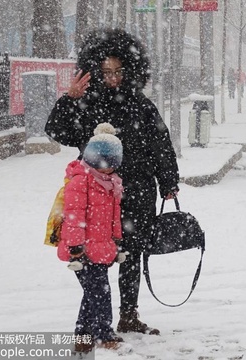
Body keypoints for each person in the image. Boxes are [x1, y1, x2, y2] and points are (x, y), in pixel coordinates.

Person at [45, 28, 180, 336]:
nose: (114, 77)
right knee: (96, 260)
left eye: (119, 71)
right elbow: (56, 131)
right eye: (106, 71)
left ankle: (129, 315)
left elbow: (160, 143)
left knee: (132, 256)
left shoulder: (141, 105)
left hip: (137, 192)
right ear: (93, 70)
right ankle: (95, 321)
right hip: (98, 198)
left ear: (130, 70)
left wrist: (168, 180)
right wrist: (70, 98)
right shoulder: (85, 104)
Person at [57, 123, 126, 353]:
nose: (109, 169)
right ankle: (104, 333)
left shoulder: (111, 183)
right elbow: (74, 217)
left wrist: (116, 243)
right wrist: (76, 247)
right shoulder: (81, 181)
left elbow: (115, 217)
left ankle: (83, 335)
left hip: (101, 248)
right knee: (99, 292)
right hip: (82, 250)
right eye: (105, 163)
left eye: (113, 163)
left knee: (94, 293)